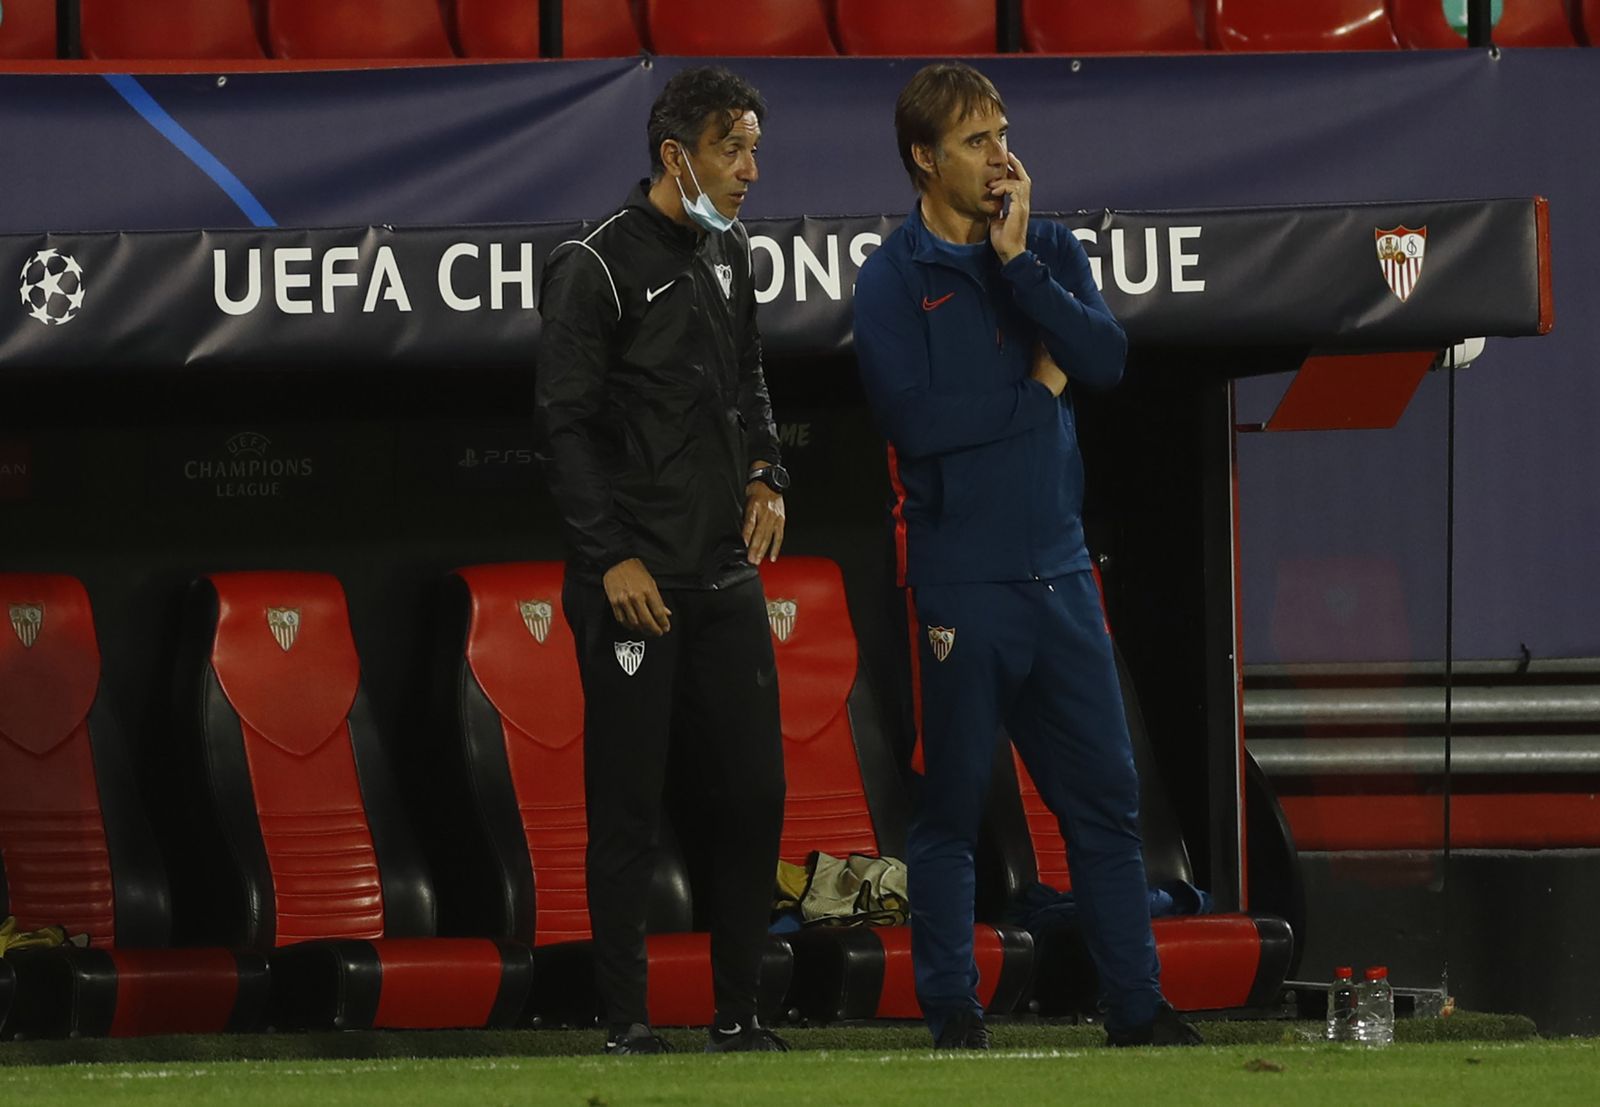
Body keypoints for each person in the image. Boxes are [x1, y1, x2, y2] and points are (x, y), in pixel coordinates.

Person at [852, 62, 1201, 1049]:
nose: (999, 154)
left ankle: (1134, 1007)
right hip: (961, 579)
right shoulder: (891, 276)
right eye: (973, 139)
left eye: (1002, 131)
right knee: (952, 807)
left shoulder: (1045, 247)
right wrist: (1034, 400)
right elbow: (914, 423)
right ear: (923, 159)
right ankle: (953, 1014)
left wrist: (1019, 267)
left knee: (1106, 806)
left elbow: (1105, 360)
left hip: (1062, 573)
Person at [534, 65, 791, 1056]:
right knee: (628, 808)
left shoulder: (731, 258)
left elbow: (752, 378)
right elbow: (562, 430)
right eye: (735, 150)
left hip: (723, 574)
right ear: (677, 155)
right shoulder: (591, 265)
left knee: (756, 795)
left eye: (755, 150)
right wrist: (610, 564)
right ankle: (625, 1020)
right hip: (634, 587)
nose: (751, 172)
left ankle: (740, 1013)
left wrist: (768, 473)